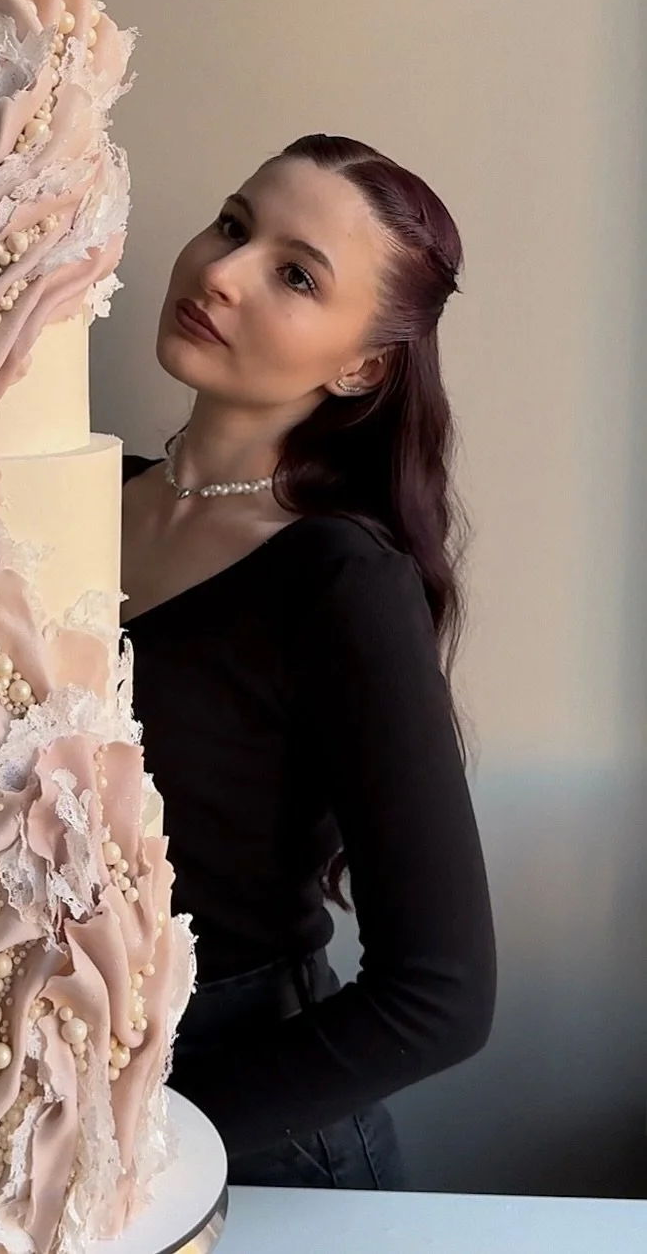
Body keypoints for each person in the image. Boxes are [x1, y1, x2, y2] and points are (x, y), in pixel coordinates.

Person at [121, 133, 496, 1190]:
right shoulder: (76, 497)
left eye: (294, 274)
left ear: (360, 364)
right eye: (232, 225)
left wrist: (141, 1136)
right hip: (34, 1083)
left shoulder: (339, 577)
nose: (220, 273)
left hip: (252, 1135)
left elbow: (442, 996)